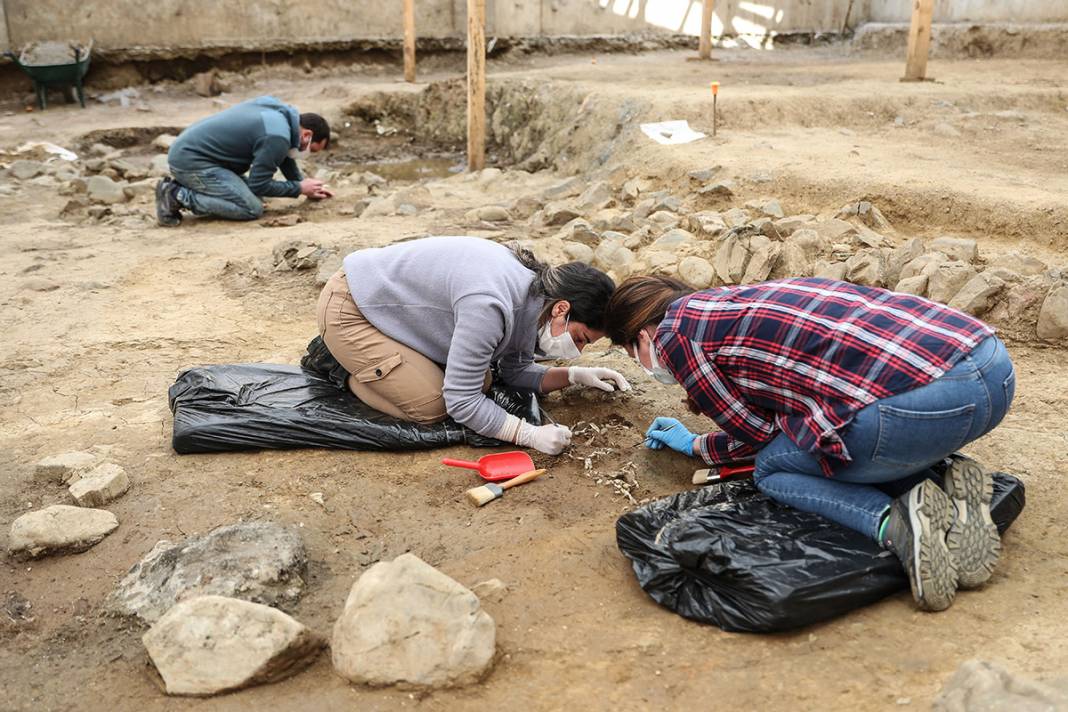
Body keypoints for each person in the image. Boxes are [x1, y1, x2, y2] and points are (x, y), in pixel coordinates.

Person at [605, 275, 1015, 612]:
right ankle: (944, 488)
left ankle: (899, 526)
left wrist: (698, 446)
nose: (645, 363)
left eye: (631, 352)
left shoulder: (674, 335)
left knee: (774, 467)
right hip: (991, 370)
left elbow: (756, 436)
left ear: (641, 335)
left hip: (921, 407)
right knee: (836, 425)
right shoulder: (735, 300)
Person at [316, 236, 630, 455]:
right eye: (579, 339)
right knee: (432, 405)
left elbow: (514, 370)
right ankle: (339, 365)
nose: (576, 350)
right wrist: (528, 435)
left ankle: (380, 361)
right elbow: (461, 402)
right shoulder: (490, 304)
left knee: (484, 380)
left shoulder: (533, 296)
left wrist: (574, 376)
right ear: (561, 308)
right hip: (352, 309)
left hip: (392, 310)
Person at [155, 95, 333, 226]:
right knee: (251, 208)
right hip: (192, 162)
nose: (306, 152)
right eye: (311, 149)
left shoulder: (280, 115)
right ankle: (176, 195)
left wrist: (302, 184)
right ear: (307, 135)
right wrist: (299, 188)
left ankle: (188, 190)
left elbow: (282, 156)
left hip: (199, 154)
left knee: (256, 198)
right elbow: (259, 184)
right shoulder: (277, 136)